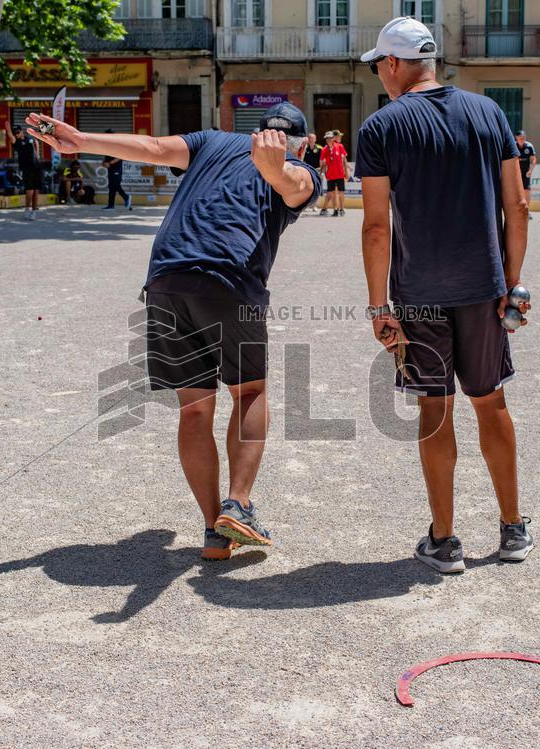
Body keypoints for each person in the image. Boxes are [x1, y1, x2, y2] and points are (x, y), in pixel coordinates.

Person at [25, 103, 320, 560]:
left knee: (195, 409)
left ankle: (213, 533)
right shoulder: (300, 166)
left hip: (166, 278)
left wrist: (82, 141)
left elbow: (154, 147)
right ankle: (238, 505)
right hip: (229, 280)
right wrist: (278, 172)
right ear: (304, 143)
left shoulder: (213, 141)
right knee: (250, 392)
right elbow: (295, 185)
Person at [357, 17, 533, 574]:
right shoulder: (489, 113)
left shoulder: (381, 127)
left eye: (378, 66)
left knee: (436, 410)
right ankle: (512, 529)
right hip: (484, 288)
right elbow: (518, 206)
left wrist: (378, 305)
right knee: (492, 402)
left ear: (391, 64)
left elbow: (376, 227)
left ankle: (445, 540)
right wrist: (512, 284)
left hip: (420, 295)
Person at [5, 123, 43, 220]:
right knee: (29, 190)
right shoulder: (16, 143)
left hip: (37, 167)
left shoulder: (30, 139)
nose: (16, 134)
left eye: (18, 132)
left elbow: (36, 142)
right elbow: (10, 136)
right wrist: (8, 130)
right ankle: (27, 209)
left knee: (36, 190)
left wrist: (38, 156)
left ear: (22, 131)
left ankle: (34, 211)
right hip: (27, 168)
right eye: (15, 133)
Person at [319, 130, 349, 216]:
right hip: (330, 175)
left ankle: (342, 209)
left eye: (330, 138)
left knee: (341, 192)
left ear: (333, 138)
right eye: (327, 138)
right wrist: (323, 170)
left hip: (340, 174)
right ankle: (335, 210)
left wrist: (346, 172)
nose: (328, 140)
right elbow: (321, 162)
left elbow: (344, 160)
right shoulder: (324, 149)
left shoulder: (340, 146)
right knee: (332, 193)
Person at [102, 130, 132, 211]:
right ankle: (111, 205)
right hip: (110, 169)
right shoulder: (107, 145)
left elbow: (120, 156)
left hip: (116, 169)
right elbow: (106, 156)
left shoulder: (116, 144)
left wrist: (110, 163)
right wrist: (104, 162)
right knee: (112, 187)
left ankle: (126, 197)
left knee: (115, 185)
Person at [514, 130, 536, 214]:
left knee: (527, 191)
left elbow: (533, 159)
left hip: (526, 172)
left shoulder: (529, 146)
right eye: (520, 138)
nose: (522, 140)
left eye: (523, 138)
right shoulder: (513, 146)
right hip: (515, 173)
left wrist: (530, 170)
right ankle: (516, 211)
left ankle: (527, 211)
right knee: (515, 192)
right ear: (516, 138)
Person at [302, 132, 323, 211]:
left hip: (317, 170)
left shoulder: (320, 148)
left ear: (315, 139)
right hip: (307, 170)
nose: (311, 140)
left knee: (316, 189)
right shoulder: (304, 148)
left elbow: (322, 160)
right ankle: (305, 206)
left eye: (312, 138)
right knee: (306, 189)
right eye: (309, 138)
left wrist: (322, 171)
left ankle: (314, 205)